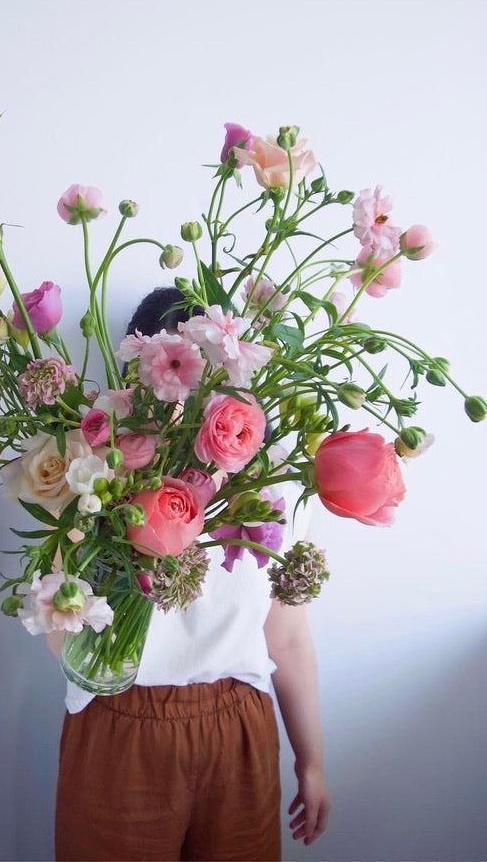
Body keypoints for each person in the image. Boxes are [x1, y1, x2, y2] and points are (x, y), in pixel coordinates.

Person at [54, 287, 330, 862]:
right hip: (119, 726)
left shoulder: (274, 487)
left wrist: (312, 761)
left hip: (238, 732)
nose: (178, 395)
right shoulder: (92, 480)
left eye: (193, 373)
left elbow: (287, 637)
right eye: (161, 375)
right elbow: (59, 621)